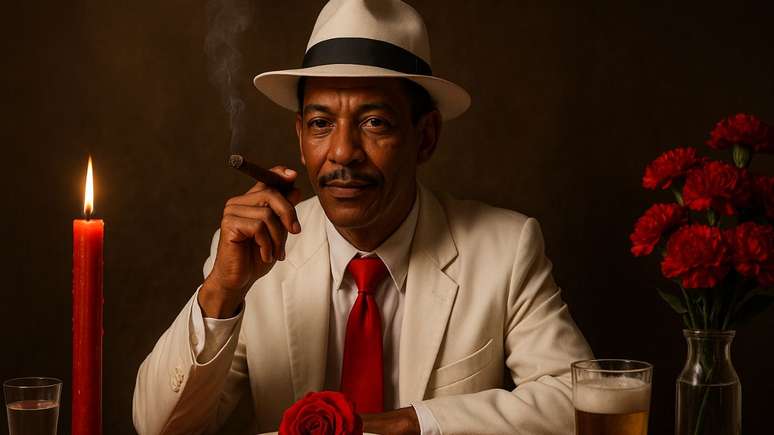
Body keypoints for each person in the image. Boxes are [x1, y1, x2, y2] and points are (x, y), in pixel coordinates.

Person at [132, 1, 593, 434]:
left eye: (375, 122)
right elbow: (158, 427)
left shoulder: (506, 248)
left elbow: (576, 402)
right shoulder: (253, 256)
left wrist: (414, 423)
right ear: (300, 137)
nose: (342, 152)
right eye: (321, 124)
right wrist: (222, 292)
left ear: (426, 138)